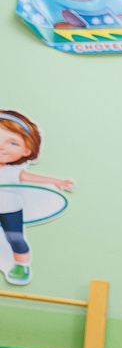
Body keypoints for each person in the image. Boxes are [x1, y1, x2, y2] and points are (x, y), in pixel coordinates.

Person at [0, 111, 72, 286]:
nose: (2, 147)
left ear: (27, 150)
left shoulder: (12, 171)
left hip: (10, 210)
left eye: (13, 143)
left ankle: (21, 265)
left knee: (15, 237)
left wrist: (56, 180)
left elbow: (30, 178)